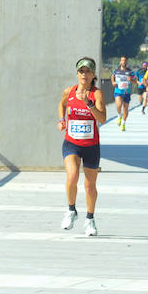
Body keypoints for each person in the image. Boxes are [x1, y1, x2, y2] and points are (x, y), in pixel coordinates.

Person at [58, 57, 106, 235]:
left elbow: (102, 119)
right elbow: (61, 104)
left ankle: (90, 219)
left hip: (91, 145)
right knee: (72, 177)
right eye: (81, 71)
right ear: (77, 74)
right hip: (71, 143)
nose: (84, 75)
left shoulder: (97, 94)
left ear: (93, 74)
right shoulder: (69, 91)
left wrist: (89, 104)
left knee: (89, 186)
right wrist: (61, 120)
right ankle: (71, 210)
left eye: (88, 71)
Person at [110, 56, 134, 130]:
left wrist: (131, 80)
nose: (123, 62)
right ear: (120, 62)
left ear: (126, 62)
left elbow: (134, 80)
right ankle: (119, 116)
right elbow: (112, 76)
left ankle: (123, 123)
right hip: (118, 91)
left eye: (125, 60)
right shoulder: (116, 70)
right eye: (122, 60)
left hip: (126, 92)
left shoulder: (130, 71)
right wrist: (113, 82)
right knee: (118, 105)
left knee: (125, 109)